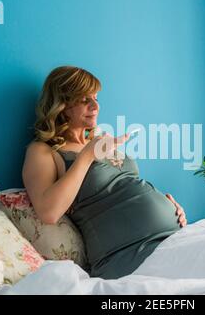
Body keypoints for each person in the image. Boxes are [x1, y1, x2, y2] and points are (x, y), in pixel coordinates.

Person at [22, 66, 187, 279]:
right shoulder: (43, 151)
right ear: (62, 105)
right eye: (84, 100)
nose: (95, 106)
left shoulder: (100, 140)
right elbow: (48, 212)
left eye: (96, 98)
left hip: (171, 237)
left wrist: (169, 207)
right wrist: (86, 157)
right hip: (127, 256)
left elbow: (126, 186)